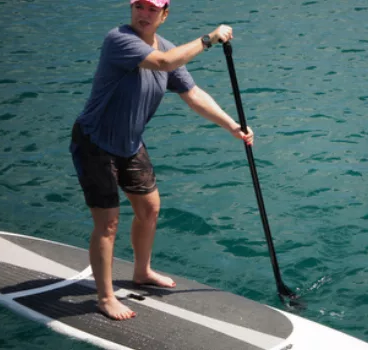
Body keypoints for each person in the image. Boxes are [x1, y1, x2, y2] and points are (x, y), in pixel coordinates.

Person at [69, 0, 252, 320]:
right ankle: (105, 297)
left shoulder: (168, 48)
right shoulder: (119, 40)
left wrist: (232, 126)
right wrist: (208, 39)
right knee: (108, 223)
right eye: (139, 7)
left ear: (164, 15)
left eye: (152, 9)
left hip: (129, 144)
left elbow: (193, 94)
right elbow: (164, 63)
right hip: (95, 143)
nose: (144, 14)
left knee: (150, 208)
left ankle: (142, 272)